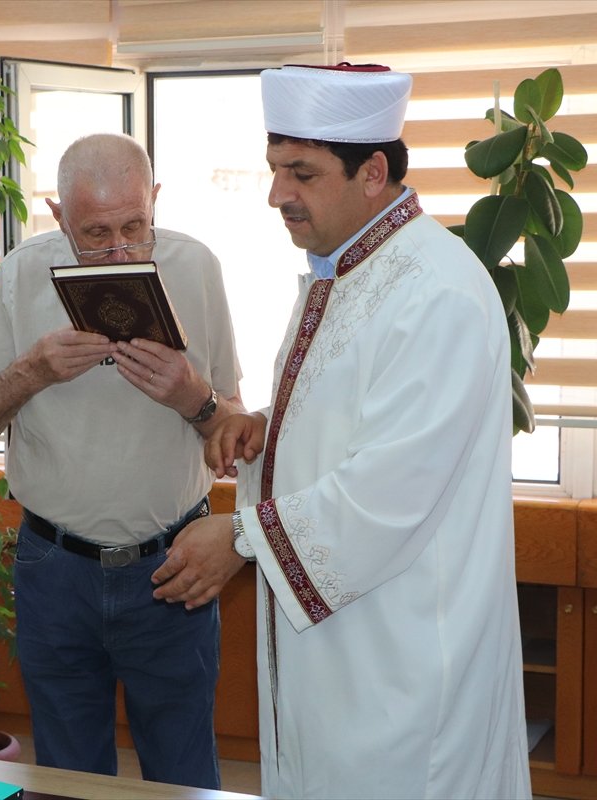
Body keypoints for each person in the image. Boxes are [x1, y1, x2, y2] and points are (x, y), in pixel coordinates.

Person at [151, 65, 532, 799]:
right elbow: (358, 414)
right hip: (341, 654)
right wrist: (269, 430)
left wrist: (240, 538)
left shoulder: (436, 290)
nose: (277, 194)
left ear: (374, 172)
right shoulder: (345, 269)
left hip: (404, 664)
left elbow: (392, 488)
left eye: (302, 172)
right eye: (274, 169)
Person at [0, 133, 243, 788]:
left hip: (174, 564)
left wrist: (192, 397)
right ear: (59, 218)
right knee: (67, 778)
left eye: (135, 228)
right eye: (96, 235)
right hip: (54, 569)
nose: (120, 253)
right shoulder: (22, 273)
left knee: (183, 776)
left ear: (155, 200)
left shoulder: (196, 266)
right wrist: (30, 372)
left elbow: (232, 441)